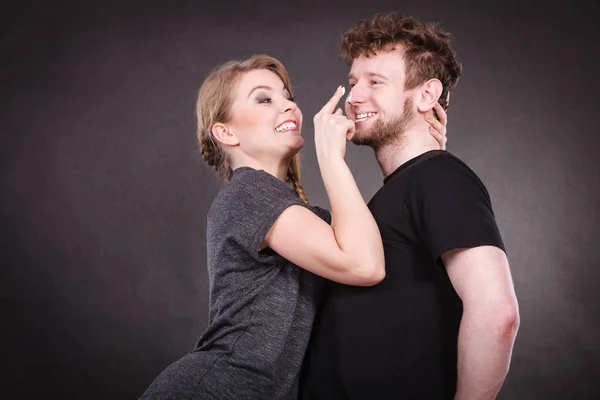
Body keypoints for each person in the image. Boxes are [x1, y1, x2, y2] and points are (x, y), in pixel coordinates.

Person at [139, 55, 448, 399]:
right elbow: (365, 265)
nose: (288, 106)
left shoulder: (302, 216)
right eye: (265, 99)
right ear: (225, 132)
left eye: (288, 97)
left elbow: (385, 249)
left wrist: (427, 152)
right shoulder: (248, 193)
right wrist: (330, 157)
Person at [300, 13, 520, 400]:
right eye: (353, 82)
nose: (353, 98)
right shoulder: (413, 185)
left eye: (375, 82)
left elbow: (497, 314)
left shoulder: (439, 177)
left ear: (426, 94)